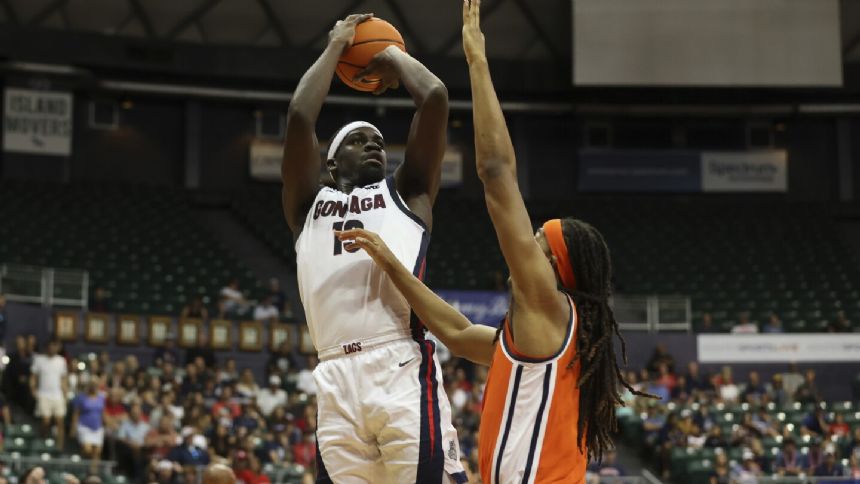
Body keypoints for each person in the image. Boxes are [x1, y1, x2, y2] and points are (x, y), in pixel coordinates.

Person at [334, 2, 648, 481]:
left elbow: (496, 173)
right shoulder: (535, 338)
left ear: (555, 266)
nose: (528, 241)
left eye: (539, 239)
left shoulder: (550, 307)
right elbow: (457, 334)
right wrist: (391, 262)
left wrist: (477, 61)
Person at [282, 10, 463, 483]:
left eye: (380, 140)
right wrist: (337, 47)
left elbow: (435, 96)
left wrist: (390, 56)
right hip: (335, 373)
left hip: (397, 362)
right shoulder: (308, 206)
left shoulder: (406, 192)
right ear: (331, 165)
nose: (374, 146)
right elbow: (301, 116)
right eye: (358, 141)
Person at [30, 340, 68, 449]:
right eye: (50, 346)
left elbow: (64, 378)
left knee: (60, 421)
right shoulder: (39, 359)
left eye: (54, 346)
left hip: (58, 395)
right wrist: (33, 389)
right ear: (47, 347)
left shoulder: (61, 361)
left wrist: (65, 393)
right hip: (43, 394)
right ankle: (43, 442)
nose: (52, 348)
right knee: (46, 421)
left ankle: (60, 448)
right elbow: (33, 377)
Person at [70, 382, 106, 470]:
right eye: (92, 385)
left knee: (97, 451)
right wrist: (73, 427)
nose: (93, 387)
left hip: (98, 427)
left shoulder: (101, 398)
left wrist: (107, 424)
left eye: (95, 385)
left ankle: (94, 471)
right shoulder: (81, 397)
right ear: (89, 386)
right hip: (84, 426)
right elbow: (76, 413)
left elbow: (102, 413)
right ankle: (82, 466)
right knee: (88, 450)